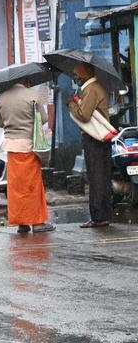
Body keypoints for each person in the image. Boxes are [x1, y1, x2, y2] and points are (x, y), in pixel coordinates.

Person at [0, 80, 55, 234]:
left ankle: (21, 222)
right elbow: (43, 118)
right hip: (29, 146)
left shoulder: (1, 98)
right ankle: (37, 222)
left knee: (16, 187)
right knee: (32, 185)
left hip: (12, 148)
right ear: (26, 80)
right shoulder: (33, 96)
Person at [69, 63, 112, 227]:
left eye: (77, 73)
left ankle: (98, 217)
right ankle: (102, 215)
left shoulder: (91, 88)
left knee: (96, 177)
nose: (75, 76)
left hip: (94, 139)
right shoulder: (93, 88)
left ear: (86, 72)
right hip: (97, 139)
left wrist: (72, 104)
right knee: (100, 176)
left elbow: (84, 115)